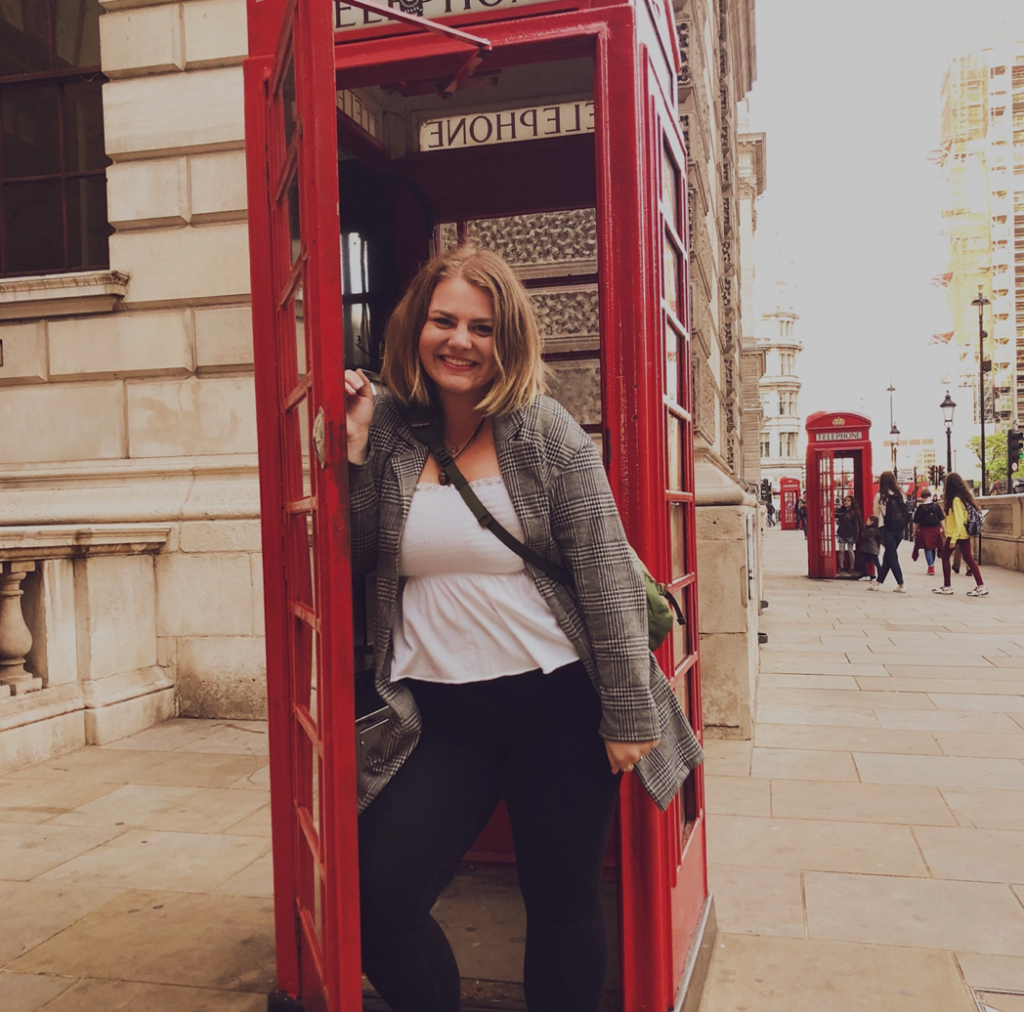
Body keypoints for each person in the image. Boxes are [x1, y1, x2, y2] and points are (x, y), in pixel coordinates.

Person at [344, 246, 703, 1012]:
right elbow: (348, 556)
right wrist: (347, 455)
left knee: (563, 905)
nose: (460, 340)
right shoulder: (392, 437)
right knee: (379, 905)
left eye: (482, 326)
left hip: (557, 708)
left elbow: (606, 574)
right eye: (444, 320)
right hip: (439, 718)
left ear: (508, 342)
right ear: (415, 328)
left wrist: (628, 712)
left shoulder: (546, 434)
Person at [932, 472, 988, 597]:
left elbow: (959, 520)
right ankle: (981, 585)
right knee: (968, 558)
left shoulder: (956, 500)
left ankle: (947, 586)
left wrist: (953, 539)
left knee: (945, 557)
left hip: (957, 534)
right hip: (962, 534)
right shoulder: (959, 498)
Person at [870, 471, 907, 593]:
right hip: (900, 529)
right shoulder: (901, 494)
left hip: (887, 528)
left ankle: (901, 584)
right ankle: (877, 582)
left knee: (892, 556)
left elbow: (876, 514)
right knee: (888, 556)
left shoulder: (880, 496)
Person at [911, 487, 944, 576]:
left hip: (925, 529)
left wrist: (914, 532)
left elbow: (916, 522)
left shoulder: (920, 508)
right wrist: (944, 530)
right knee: (933, 547)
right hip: (935, 528)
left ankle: (931, 566)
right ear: (929, 495)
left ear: (922, 496)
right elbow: (941, 519)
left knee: (927, 547)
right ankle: (931, 564)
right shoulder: (936, 506)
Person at [835, 494, 861, 573]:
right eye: (845, 500)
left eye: (848, 501)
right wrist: (837, 508)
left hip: (850, 534)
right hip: (842, 533)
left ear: (852, 502)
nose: (846, 502)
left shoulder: (853, 512)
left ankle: (852, 566)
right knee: (841, 550)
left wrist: (856, 535)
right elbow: (834, 515)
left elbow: (856, 525)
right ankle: (841, 566)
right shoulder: (841, 511)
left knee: (850, 551)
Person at [858, 515, 882, 582]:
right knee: (862, 562)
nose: (866, 521)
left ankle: (880, 576)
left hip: (871, 549)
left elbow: (864, 536)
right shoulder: (875, 530)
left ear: (872, 522)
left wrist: (863, 527)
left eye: (868, 520)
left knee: (876, 563)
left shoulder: (871, 530)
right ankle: (866, 575)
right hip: (870, 549)